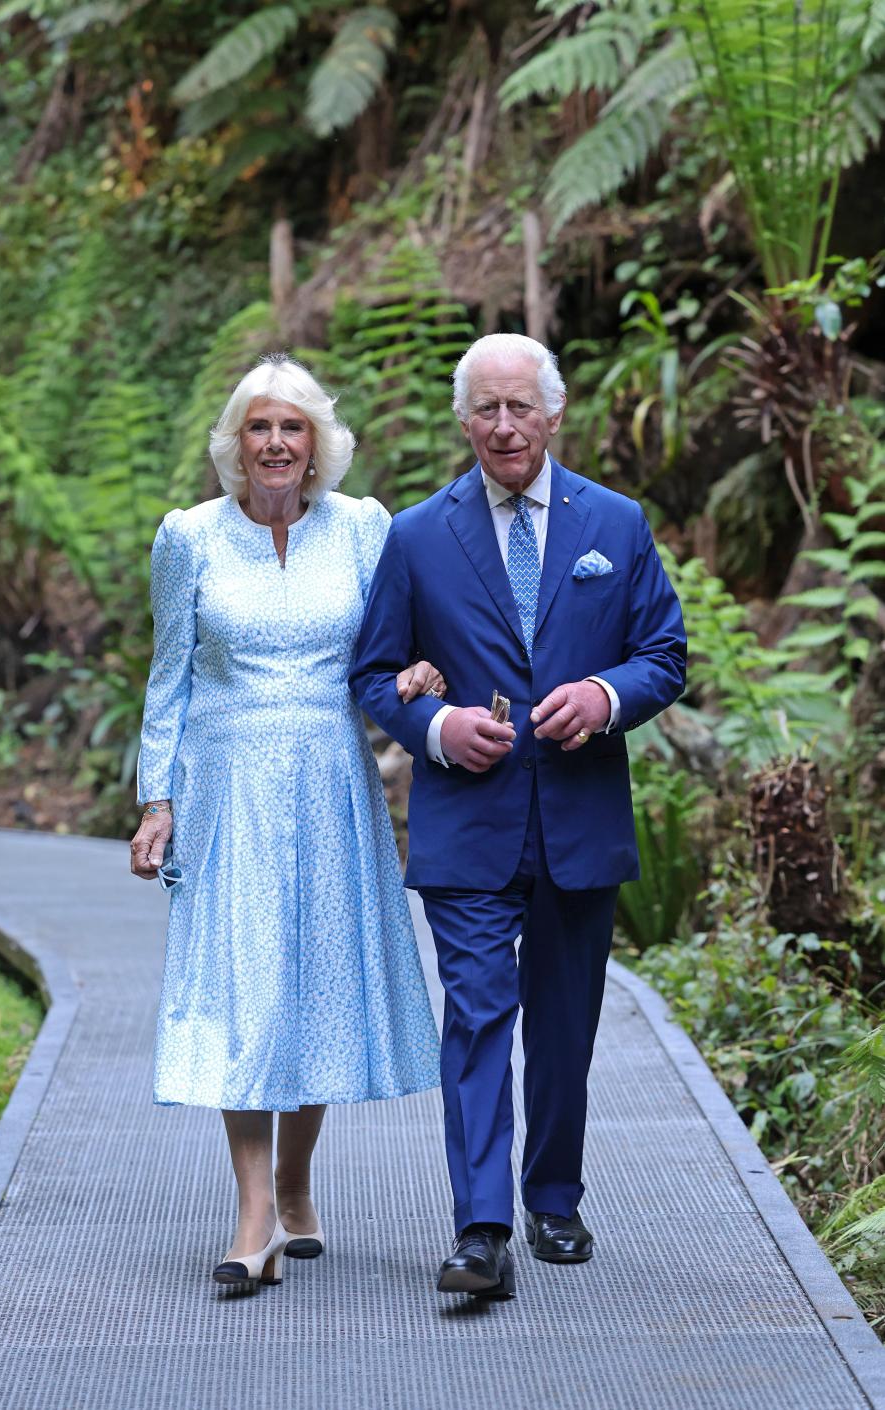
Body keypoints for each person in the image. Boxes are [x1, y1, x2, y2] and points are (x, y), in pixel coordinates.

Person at [351, 332, 686, 1300]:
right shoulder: (415, 535)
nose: (504, 427)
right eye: (486, 410)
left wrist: (606, 697)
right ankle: (480, 1227)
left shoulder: (615, 525)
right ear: (464, 421)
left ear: (554, 411)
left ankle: (553, 1197)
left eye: (520, 408)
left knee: (565, 1024)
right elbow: (376, 672)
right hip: (467, 823)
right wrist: (438, 725)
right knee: (479, 1018)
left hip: (580, 819)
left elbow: (662, 651)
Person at [130, 354, 442, 1289]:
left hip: (329, 779)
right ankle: (255, 1213)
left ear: (317, 446)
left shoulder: (362, 530)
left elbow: (387, 651)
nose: (274, 443)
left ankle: (299, 1184)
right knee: (243, 982)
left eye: (292, 428)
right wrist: (157, 799)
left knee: (311, 981)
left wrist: (415, 681)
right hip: (225, 786)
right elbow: (168, 676)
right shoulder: (188, 537)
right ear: (237, 443)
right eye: (259, 427)